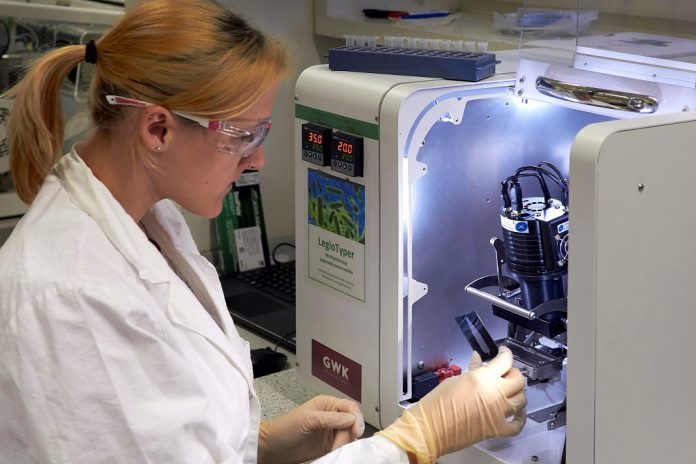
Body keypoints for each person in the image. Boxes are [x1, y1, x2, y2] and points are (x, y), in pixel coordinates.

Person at [0, 1, 527, 463]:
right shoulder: (72, 298)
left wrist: (258, 445)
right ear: (157, 128)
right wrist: (418, 438)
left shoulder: (140, 220)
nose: (257, 159)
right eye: (242, 134)